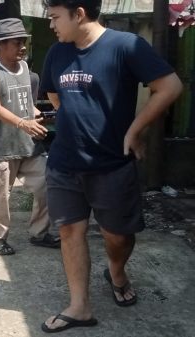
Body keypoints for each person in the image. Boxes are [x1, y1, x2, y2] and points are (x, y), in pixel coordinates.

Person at [39, 0, 182, 333]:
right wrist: (74, 119)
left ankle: (116, 272)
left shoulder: (125, 46)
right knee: (69, 231)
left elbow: (170, 86)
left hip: (111, 164)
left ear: (79, 13)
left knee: (116, 235)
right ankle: (80, 307)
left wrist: (134, 130)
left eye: (55, 17)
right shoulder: (57, 52)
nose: (51, 25)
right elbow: (53, 92)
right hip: (64, 162)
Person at [0, 18, 61, 256]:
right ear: (1, 44)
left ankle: (40, 233)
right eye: (17, 42)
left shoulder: (26, 70)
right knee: (0, 199)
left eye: (24, 41)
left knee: (48, 185)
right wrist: (24, 123)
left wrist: (42, 115)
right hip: (1, 148)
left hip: (29, 146)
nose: (23, 47)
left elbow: (26, 105)